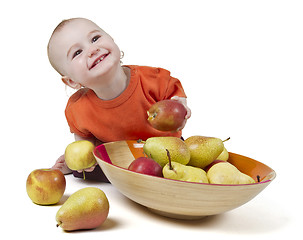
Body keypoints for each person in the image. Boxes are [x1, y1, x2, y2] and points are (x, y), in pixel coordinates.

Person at [47, 17, 191, 180]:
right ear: (71, 81)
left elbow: (173, 92)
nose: (92, 50)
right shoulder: (78, 107)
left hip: (166, 151)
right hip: (120, 157)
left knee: (181, 164)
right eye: (77, 52)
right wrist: (80, 159)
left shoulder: (151, 79)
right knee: (83, 170)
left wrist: (180, 105)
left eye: (95, 39)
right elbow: (83, 143)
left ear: (113, 41)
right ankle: (74, 166)